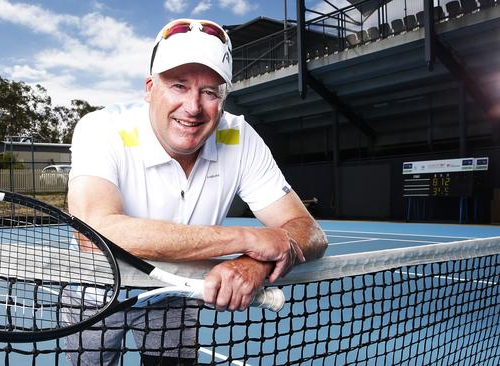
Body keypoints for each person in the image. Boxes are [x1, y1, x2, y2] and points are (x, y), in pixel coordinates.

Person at [66, 18, 328, 365]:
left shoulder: (239, 137)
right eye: (178, 85)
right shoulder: (102, 128)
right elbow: (94, 232)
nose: (193, 107)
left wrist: (254, 265)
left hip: (176, 292)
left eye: (209, 92)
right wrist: (246, 241)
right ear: (149, 88)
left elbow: (308, 231)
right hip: (96, 290)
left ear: (223, 98)